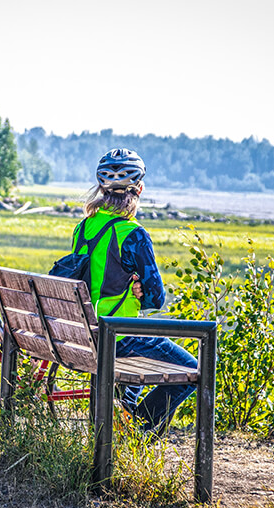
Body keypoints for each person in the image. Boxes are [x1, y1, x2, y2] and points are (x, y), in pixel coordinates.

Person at [72, 148, 198, 434]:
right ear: (139, 189)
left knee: (139, 370)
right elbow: (156, 297)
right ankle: (137, 432)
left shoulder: (83, 228)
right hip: (119, 335)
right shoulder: (133, 233)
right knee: (192, 370)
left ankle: (124, 419)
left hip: (83, 331)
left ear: (101, 189)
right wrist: (140, 291)